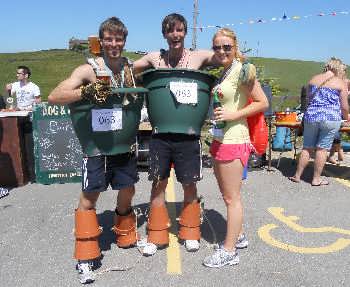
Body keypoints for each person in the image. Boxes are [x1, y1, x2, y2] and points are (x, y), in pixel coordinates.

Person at [48, 17, 139, 284]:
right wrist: (86, 92)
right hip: (96, 145)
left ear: (124, 41)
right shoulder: (88, 69)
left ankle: (125, 234)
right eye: (108, 39)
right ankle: (85, 254)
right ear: (101, 41)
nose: (114, 43)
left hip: (122, 142)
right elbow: (55, 96)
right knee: (91, 194)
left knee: (128, 188)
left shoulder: (128, 67)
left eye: (118, 39)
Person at [133, 13, 221, 256]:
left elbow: (224, 58)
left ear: (184, 32)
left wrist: (227, 49)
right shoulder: (155, 57)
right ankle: (156, 234)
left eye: (180, 30)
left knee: (189, 184)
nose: (176, 35)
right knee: (158, 183)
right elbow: (129, 69)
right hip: (161, 134)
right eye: (171, 31)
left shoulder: (197, 57)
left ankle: (191, 231)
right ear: (164, 34)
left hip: (189, 134)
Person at [200, 28, 268, 268]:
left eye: (226, 46)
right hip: (220, 138)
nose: (221, 51)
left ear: (235, 46)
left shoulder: (243, 70)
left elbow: (263, 102)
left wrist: (234, 113)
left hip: (235, 139)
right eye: (217, 47)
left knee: (232, 198)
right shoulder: (225, 72)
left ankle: (229, 251)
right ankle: (237, 236)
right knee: (227, 195)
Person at [289, 58, 348, 186]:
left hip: (311, 116)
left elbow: (309, 99)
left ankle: (297, 175)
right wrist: (347, 118)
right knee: (322, 149)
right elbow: (344, 106)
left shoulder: (313, 79)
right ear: (338, 69)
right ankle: (316, 179)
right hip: (330, 118)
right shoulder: (340, 83)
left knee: (307, 147)